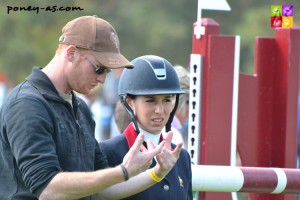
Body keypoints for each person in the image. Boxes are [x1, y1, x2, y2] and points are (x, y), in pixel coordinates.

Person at [0, 15, 182, 200]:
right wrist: (123, 171)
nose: (103, 79)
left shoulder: (80, 107)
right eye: (99, 68)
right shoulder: (25, 104)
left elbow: (101, 190)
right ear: (71, 53)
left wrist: (157, 173)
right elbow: (48, 190)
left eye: (108, 71)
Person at [100, 55, 193, 200]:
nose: (160, 110)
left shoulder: (182, 158)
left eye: (167, 100)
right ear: (130, 102)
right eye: (150, 100)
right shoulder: (108, 153)